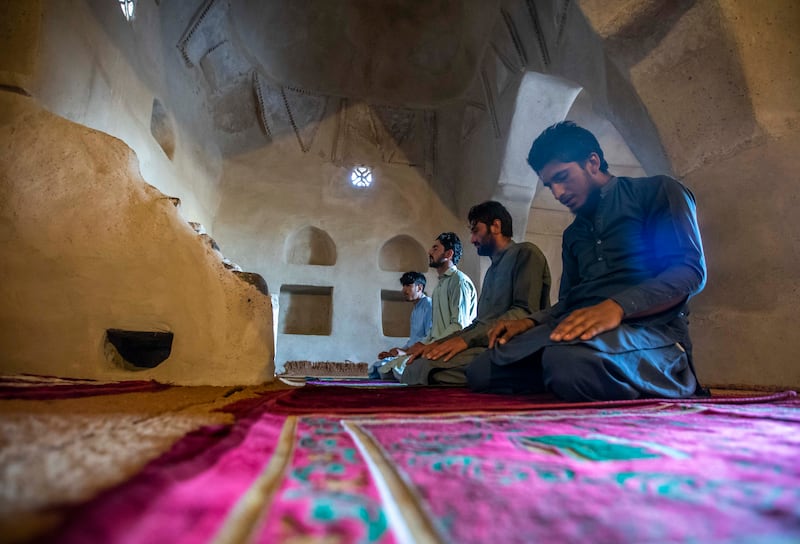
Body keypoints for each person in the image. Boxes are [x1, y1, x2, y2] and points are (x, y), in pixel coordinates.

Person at [466, 121, 707, 401]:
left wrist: (617, 307)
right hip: (581, 335)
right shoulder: (574, 234)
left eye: (563, 177)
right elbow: (570, 301)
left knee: (569, 363)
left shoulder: (657, 192)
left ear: (592, 162)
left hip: (651, 330)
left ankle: (669, 376)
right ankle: (578, 375)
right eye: (550, 185)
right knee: (483, 369)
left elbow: (689, 272)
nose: (557, 193)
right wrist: (530, 323)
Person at [400, 201, 551, 385]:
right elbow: (479, 324)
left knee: (427, 368)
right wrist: (436, 344)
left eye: (475, 231)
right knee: (418, 363)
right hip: (484, 344)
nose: (472, 240)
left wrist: (465, 341)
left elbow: (524, 312)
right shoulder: (492, 271)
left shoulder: (526, 253)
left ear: (496, 226)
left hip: (511, 346)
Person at [382, 232, 478, 380]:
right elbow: (435, 331)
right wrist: (419, 345)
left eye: (435, 248)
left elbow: (459, 327)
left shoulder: (459, 281)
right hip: (435, 347)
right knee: (386, 369)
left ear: (449, 253)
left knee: (404, 370)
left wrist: (429, 346)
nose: (429, 252)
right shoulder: (440, 286)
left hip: (448, 350)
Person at [369, 271, 431, 378]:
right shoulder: (416, 310)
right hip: (410, 352)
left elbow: (429, 338)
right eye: (403, 286)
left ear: (419, 288)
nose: (404, 290)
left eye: (408, 286)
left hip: (420, 354)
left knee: (391, 370)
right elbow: (413, 340)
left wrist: (405, 353)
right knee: (378, 367)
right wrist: (394, 353)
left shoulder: (428, 305)